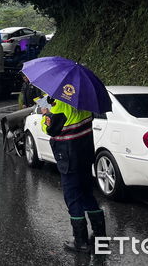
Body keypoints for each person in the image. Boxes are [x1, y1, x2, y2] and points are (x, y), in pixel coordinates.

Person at [41, 96, 106, 253]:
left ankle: (81, 241)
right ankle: (100, 236)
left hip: (69, 155)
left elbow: (50, 129)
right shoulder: (84, 100)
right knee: (86, 194)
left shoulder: (59, 103)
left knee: (72, 197)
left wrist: (45, 114)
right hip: (84, 153)